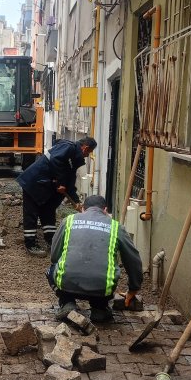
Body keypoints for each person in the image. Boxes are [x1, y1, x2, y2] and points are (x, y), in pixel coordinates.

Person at [47, 195, 143, 323]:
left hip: (67, 285)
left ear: (83, 209)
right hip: (102, 289)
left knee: (51, 269)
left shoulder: (68, 221)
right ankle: (100, 308)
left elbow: (54, 256)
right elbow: (133, 260)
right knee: (106, 277)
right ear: (105, 210)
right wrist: (133, 288)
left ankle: (67, 302)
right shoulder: (116, 227)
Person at [16, 137, 97, 256]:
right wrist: (61, 182)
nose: (87, 156)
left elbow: (69, 183)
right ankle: (30, 244)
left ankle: (52, 241)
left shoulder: (74, 159)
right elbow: (55, 160)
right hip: (34, 183)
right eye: (88, 152)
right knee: (31, 213)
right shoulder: (68, 147)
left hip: (45, 186)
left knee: (48, 212)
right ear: (85, 148)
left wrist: (76, 202)